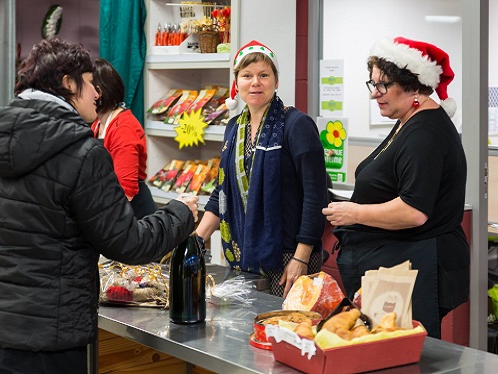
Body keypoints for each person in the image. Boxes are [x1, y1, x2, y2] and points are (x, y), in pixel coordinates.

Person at [0, 37, 199, 373]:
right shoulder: (83, 153)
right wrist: (181, 213)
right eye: (89, 82)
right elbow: (128, 243)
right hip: (49, 340)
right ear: (67, 83)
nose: (97, 93)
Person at [322, 36, 469, 339]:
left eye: (383, 85)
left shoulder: (425, 133)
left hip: (416, 266)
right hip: (397, 263)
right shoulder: (407, 119)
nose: (374, 94)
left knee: (403, 354)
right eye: (372, 84)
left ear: (414, 86)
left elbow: (414, 212)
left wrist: (355, 213)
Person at [196, 40, 329, 298]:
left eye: (263, 75)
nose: (255, 82)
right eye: (247, 75)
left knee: (287, 331)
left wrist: (301, 257)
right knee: (245, 331)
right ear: (237, 83)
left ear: (276, 81)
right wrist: (197, 239)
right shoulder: (234, 127)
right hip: (244, 254)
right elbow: (222, 190)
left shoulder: (296, 125)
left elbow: (316, 197)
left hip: (289, 255)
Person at [91, 57, 158, 220]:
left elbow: (125, 191)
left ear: (98, 93)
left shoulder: (124, 128)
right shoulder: (97, 125)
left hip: (133, 215)